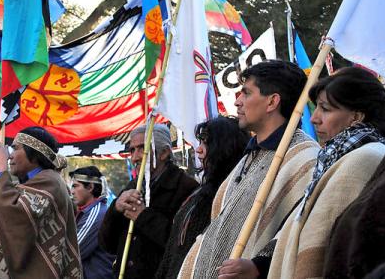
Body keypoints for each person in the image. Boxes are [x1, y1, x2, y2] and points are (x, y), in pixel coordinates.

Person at [217, 67, 385, 279]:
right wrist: (259, 266)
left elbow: (339, 241)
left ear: (356, 116)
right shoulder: (335, 156)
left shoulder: (366, 157)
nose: (314, 118)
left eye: (325, 109)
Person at [178, 60, 320, 279]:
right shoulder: (250, 155)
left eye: (246, 93)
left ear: (272, 101)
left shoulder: (304, 157)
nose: (237, 102)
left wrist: (259, 267)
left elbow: (300, 233)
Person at [99, 123, 199, 279]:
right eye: (132, 150)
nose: (135, 157)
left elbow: (183, 245)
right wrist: (115, 209)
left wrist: (144, 217)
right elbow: (107, 245)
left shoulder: (186, 187)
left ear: (164, 152)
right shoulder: (132, 187)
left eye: (141, 148)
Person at [155, 116, 250, 279]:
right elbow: (173, 251)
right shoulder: (199, 193)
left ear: (225, 147)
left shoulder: (233, 194)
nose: (198, 149)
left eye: (206, 142)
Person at [0, 126, 81, 278]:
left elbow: (15, 218)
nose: (9, 156)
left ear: (36, 154)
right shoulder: (25, 185)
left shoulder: (50, 181)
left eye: (15, 149)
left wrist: (2, 166)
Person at [70, 166, 115, 279]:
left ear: (90, 187)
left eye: (75, 186)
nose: (72, 191)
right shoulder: (90, 211)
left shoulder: (96, 214)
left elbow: (73, 251)